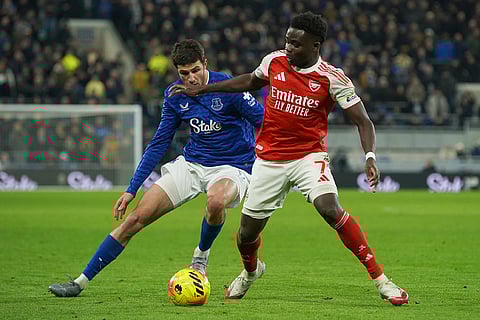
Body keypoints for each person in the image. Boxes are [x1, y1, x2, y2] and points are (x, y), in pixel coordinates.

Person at [169, 12, 408, 305]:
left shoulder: (332, 78)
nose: (289, 48)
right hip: (269, 160)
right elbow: (249, 82)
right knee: (246, 235)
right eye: (287, 41)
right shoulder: (274, 61)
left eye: (296, 44)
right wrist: (205, 88)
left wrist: (370, 156)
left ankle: (382, 281)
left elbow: (363, 121)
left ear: (315, 45)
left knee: (330, 208)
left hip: (308, 156)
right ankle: (251, 272)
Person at [48, 39, 264, 297]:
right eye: (184, 73)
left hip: (233, 166)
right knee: (136, 219)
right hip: (192, 165)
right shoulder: (175, 95)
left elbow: (264, 121)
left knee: (216, 202)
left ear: (205, 63)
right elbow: (160, 142)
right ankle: (79, 282)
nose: (191, 78)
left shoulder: (230, 88)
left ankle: (200, 258)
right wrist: (131, 189)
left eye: (195, 70)